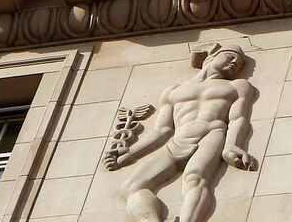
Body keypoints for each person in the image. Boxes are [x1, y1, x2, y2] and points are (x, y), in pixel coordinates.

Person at [105, 42, 258, 222]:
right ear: (212, 57)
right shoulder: (173, 91)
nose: (234, 63)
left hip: (211, 134)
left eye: (239, 63)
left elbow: (238, 118)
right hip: (178, 139)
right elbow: (162, 130)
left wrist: (232, 145)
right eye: (230, 57)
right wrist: (131, 154)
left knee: (195, 179)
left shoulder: (237, 86)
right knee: (132, 187)